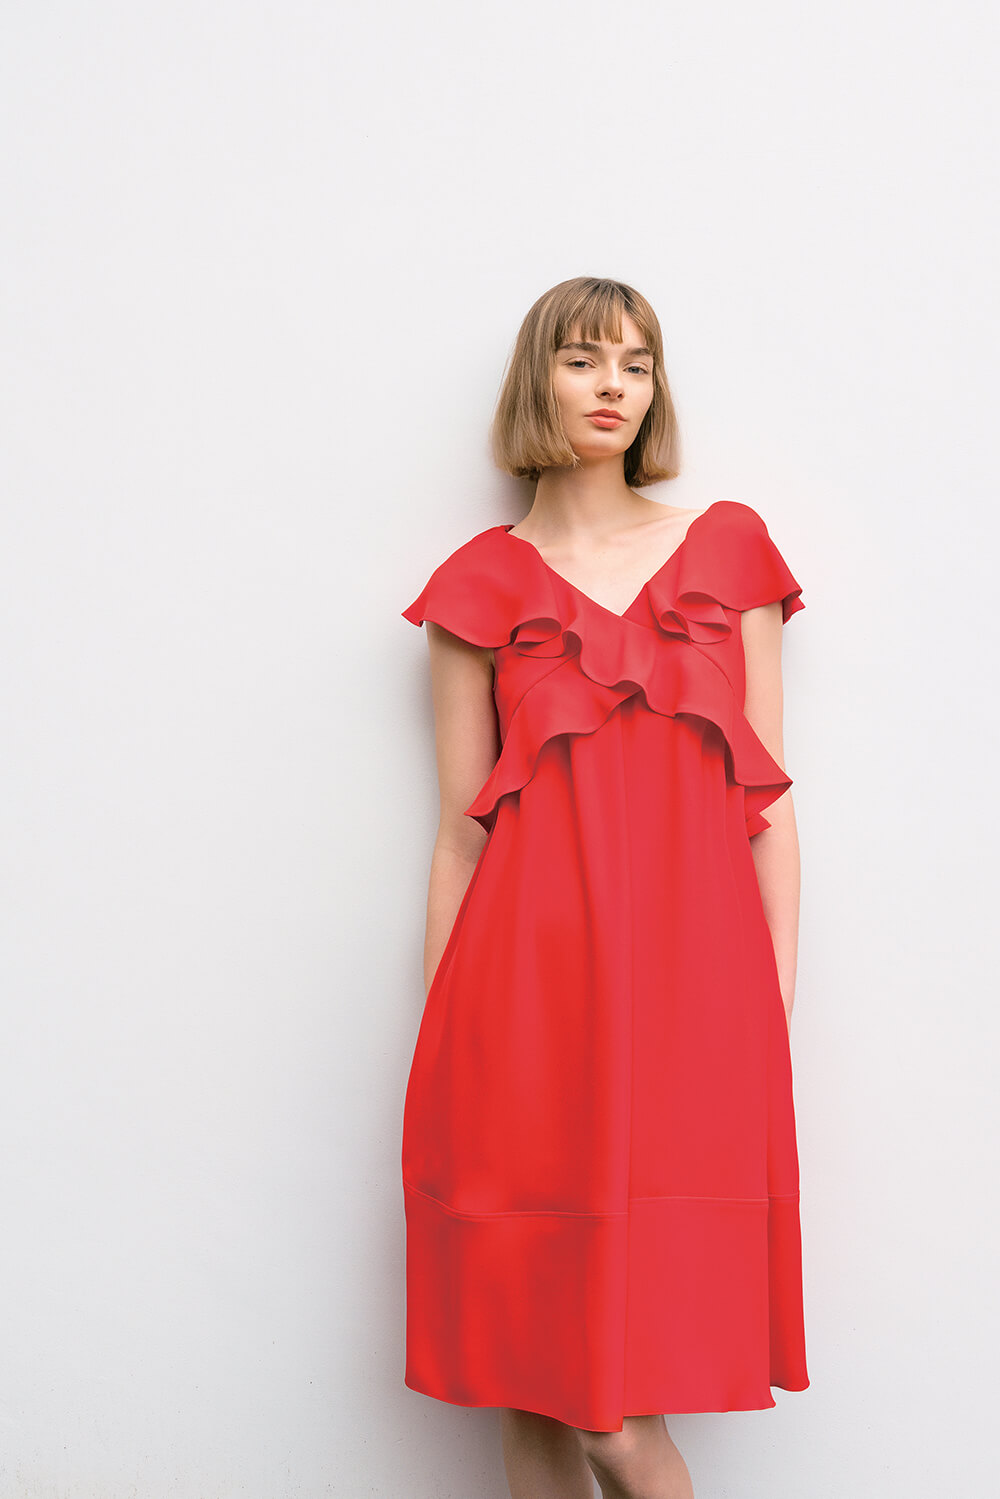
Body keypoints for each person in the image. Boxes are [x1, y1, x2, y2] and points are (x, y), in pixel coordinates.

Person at [399, 275, 809, 1499]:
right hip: (518, 1016)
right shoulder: (478, 586)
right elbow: (459, 838)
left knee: (613, 1417)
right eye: (582, 359)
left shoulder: (726, 550)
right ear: (538, 381)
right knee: (530, 1382)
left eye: (635, 362)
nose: (612, 385)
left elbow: (771, 815)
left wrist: (767, 1009)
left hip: (697, 1010)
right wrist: (444, 1037)